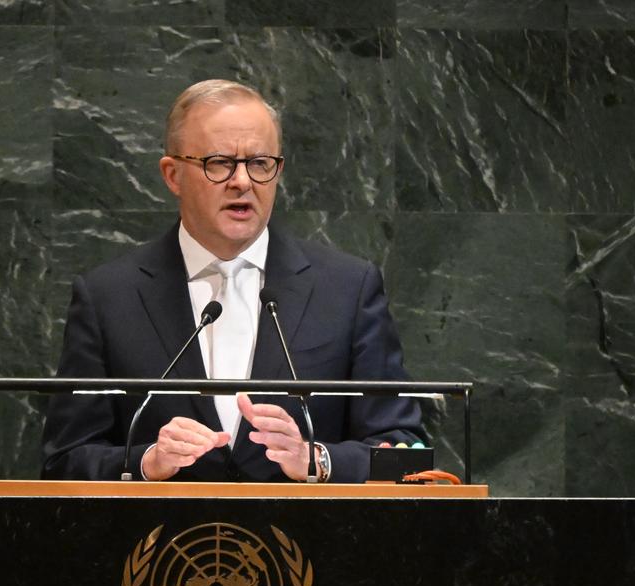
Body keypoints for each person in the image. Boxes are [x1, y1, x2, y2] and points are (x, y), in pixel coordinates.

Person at [41, 79, 422, 483]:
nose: (242, 181)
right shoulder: (108, 298)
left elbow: (405, 453)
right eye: (219, 162)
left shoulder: (347, 289)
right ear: (172, 175)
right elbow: (63, 462)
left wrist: (317, 459)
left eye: (259, 163)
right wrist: (145, 462)